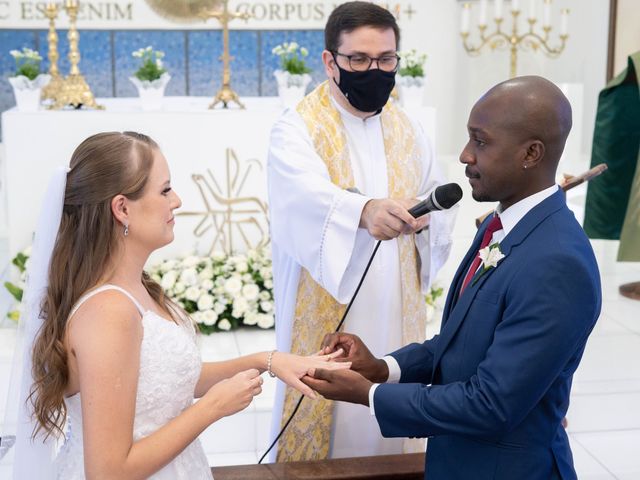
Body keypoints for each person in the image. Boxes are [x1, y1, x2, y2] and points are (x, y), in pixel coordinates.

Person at [302, 76, 602, 479]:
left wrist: (371, 396)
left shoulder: (557, 261)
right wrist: (382, 368)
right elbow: (461, 343)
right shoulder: (498, 225)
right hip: (458, 461)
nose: (464, 156)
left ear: (531, 153)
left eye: (480, 141)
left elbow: (491, 405)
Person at [9, 131, 350, 479]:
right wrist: (213, 408)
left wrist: (268, 360)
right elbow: (108, 472)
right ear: (122, 208)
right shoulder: (108, 312)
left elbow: (166, 379)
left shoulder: (133, 289)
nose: (178, 201)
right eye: (165, 189)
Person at [267, 1, 456, 461]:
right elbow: (299, 198)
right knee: (330, 424)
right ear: (331, 61)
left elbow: (435, 191)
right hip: (330, 301)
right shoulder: (297, 128)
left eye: (386, 59)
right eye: (359, 60)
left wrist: (430, 217)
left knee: (389, 404)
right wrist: (362, 209)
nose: (375, 71)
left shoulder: (408, 128)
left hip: (396, 300)